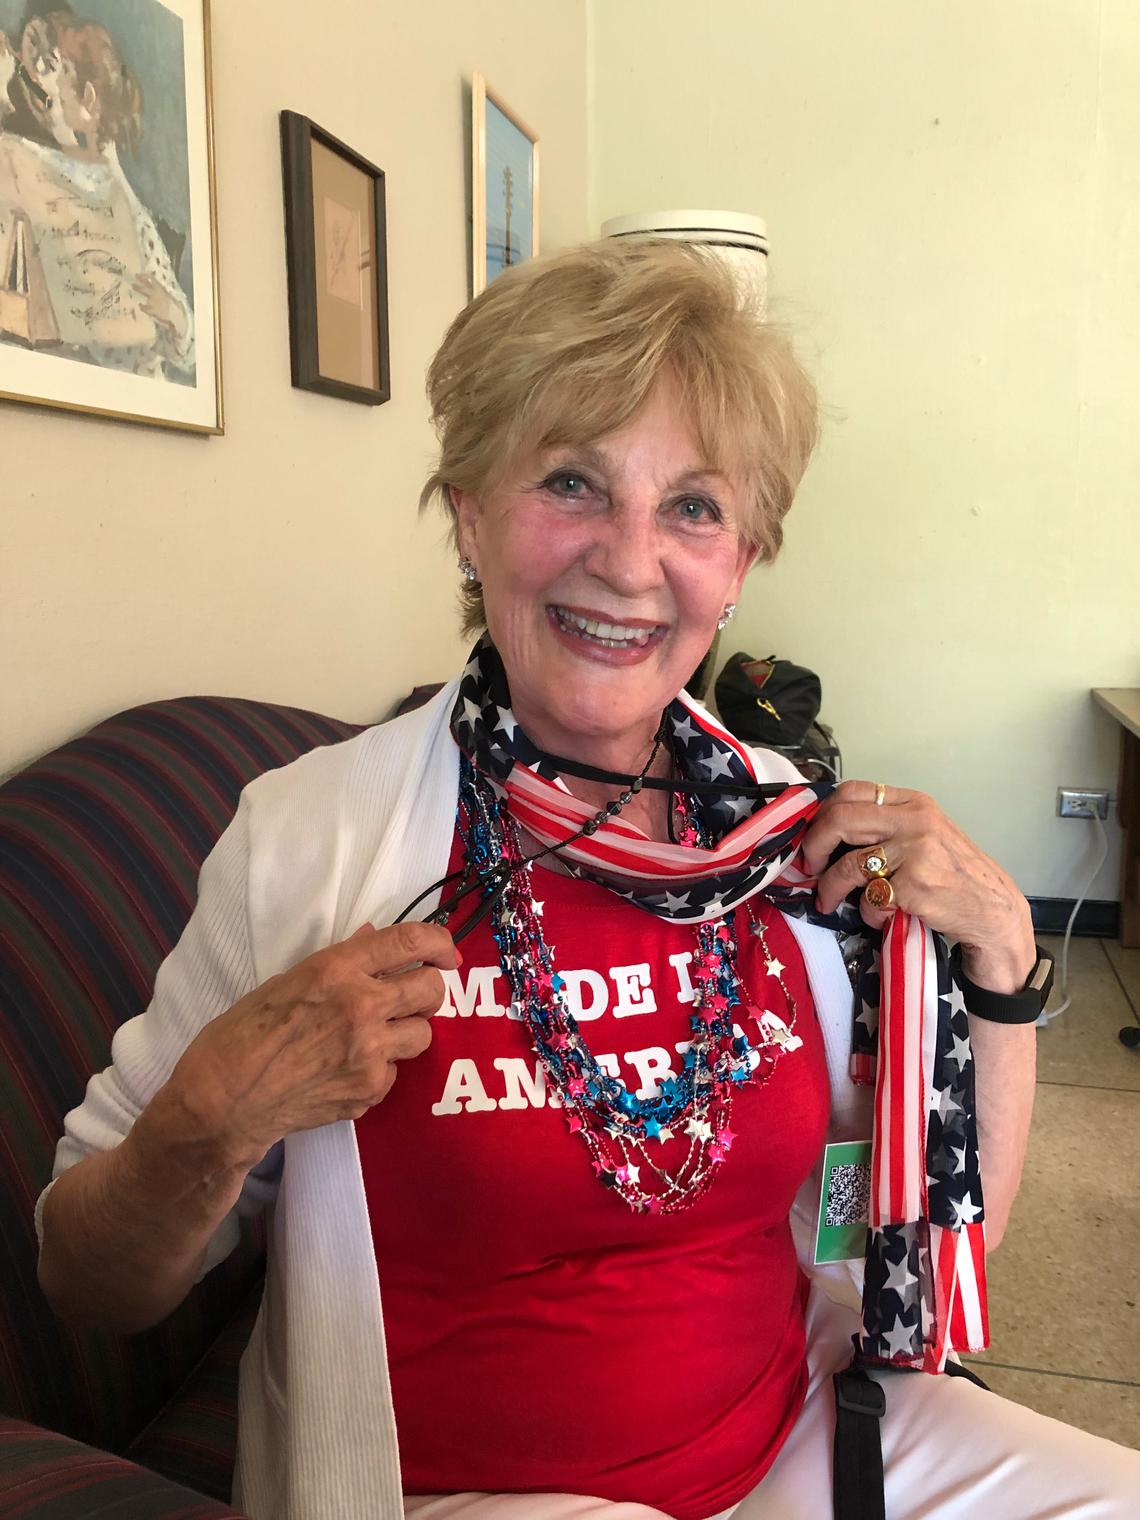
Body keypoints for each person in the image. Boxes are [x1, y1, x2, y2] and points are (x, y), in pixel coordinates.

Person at [35, 240, 1138, 1520]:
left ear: (742, 559)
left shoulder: (789, 840)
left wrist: (1000, 958)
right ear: (469, 512)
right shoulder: (313, 839)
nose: (627, 560)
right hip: (471, 1493)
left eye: (693, 507)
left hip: (801, 1433)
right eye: (572, 481)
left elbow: (919, 1234)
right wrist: (210, 1121)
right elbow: (86, 1280)